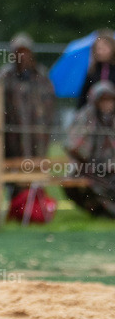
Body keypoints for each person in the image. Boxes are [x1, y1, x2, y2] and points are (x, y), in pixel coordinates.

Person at [0, 34, 55, 160]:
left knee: (37, 162)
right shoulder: (5, 76)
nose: (22, 56)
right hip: (12, 134)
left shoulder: (41, 76)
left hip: (37, 133)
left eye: (25, 52)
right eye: (19, 52)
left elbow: (49, 106)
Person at [64, 80, 115, 217]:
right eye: (103, 100)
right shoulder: (85, 117)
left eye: (110, 100)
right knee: (85, 183)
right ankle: (99, 210)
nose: (107, 104)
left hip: (109, 168)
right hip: (87, 168)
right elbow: (73, 145)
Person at [78, 30, 115, 109]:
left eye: (104, 48)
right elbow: (83, 95)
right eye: (98, 49)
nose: (100, 52)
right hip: (95, 111)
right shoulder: (92, 71)